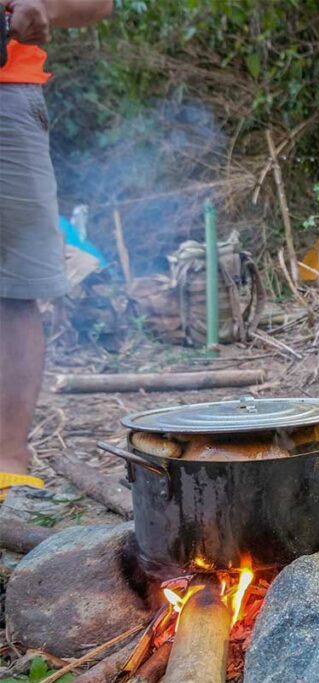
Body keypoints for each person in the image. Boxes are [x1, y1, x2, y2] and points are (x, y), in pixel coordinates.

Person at [0, 0, 113, 500]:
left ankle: (7, 459)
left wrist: (39, 7)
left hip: (7, 95)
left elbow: (98, 3)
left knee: (16, 288)